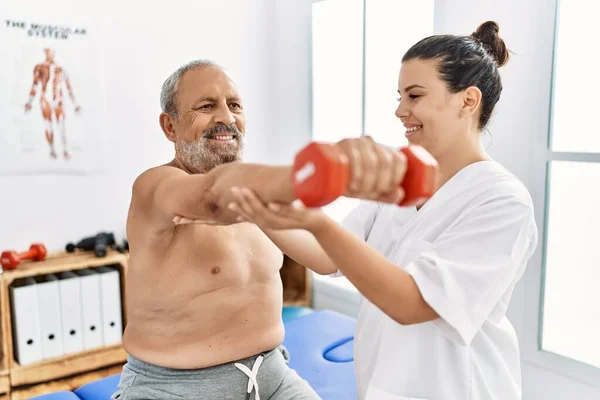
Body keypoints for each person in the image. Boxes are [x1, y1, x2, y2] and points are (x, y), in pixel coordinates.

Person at [197, 21, 539, 400]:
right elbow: (328, 257)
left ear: (467, 101)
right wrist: (257, 209)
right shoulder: (403, 182)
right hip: (381, 386)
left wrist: (312, 220)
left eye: (414, 95)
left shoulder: (502, 200)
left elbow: (412, 303)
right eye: (399, 96)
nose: (399, 110)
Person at [116, 60, 408, 400]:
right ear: (170, 126)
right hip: (173, 390)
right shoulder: (155, 186)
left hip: (271, 378)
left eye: (235, 105)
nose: (226, 117)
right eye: (207, 106)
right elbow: (212, 198)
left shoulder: (260, 193)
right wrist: (326, 169)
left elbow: (327, 260)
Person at [24, 48, 81, 160]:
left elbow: (68, 86)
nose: (49, 54)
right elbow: (35, 85)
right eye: (47, 52)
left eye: (51, 52)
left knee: (61, 126)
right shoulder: (39, 67)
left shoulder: (61, 69)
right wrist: (29, 102)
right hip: (45, 99)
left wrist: (75, 103)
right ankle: (52, 150)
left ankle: (64, 150)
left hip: (58, 100)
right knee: (48, 125)